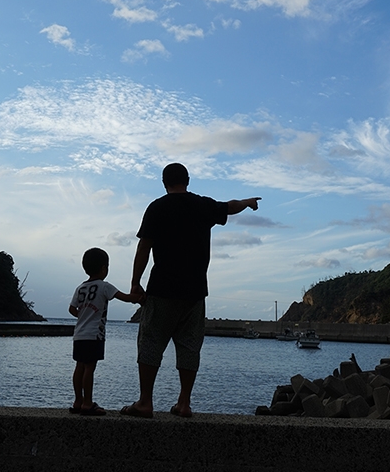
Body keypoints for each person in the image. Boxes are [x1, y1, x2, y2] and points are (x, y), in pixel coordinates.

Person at [120, 162, 261, 419]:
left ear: (164, 182)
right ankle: (184, 403)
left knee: (151, 342)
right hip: (195, 292)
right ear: (188, 180)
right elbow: (230, 207)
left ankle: (145, 402)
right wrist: (248, 201)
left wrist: (135, 282)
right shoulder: (202, 205)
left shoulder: (157, 207)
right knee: (189, 346)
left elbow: (144, 247)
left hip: (162, 288)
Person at [69, 247, 140, 415]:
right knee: (89, 368)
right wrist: (139, 298)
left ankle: (78, 400)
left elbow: (72, 309)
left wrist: (83, 315)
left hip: (79, 334)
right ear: (103, 268)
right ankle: (88, 403)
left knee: (79, 366)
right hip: (94, 335)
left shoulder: (80, 288)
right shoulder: (104, 286)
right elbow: (125, 297)